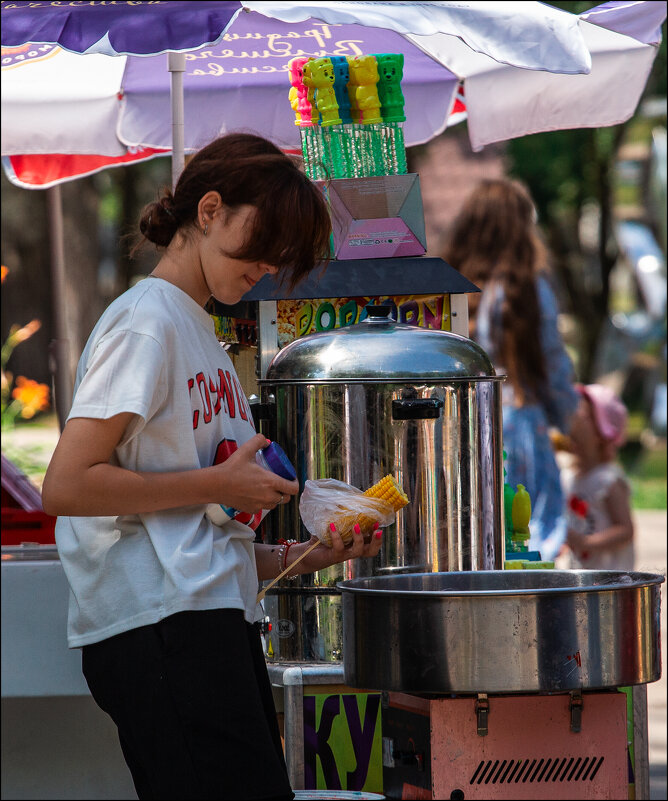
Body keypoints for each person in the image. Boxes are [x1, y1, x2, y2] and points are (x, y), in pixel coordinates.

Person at [41, 132, 383, 801]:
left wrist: (300, 555)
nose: (267, 264)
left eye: (279, 256)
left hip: (205, 623)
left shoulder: (200, 331)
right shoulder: (148, 322)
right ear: (209, 210)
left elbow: (193, 534)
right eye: (260, 243)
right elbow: (67, 483)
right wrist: (219, 483)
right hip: (163, 631)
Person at [443, 178, 579, 561]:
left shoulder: (451, 290)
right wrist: (570, 419)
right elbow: (553, 364)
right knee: (531, 536)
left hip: (462, 426)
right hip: (520, 423)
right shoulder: (528, 288)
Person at [558, 384, 634, 570]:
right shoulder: (568, 477)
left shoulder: (608, 480)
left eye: (582, 416)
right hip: (581, 572)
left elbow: (625, 531)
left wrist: (586, 542)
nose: (573, 420)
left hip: (610, 578)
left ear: (603, 432)